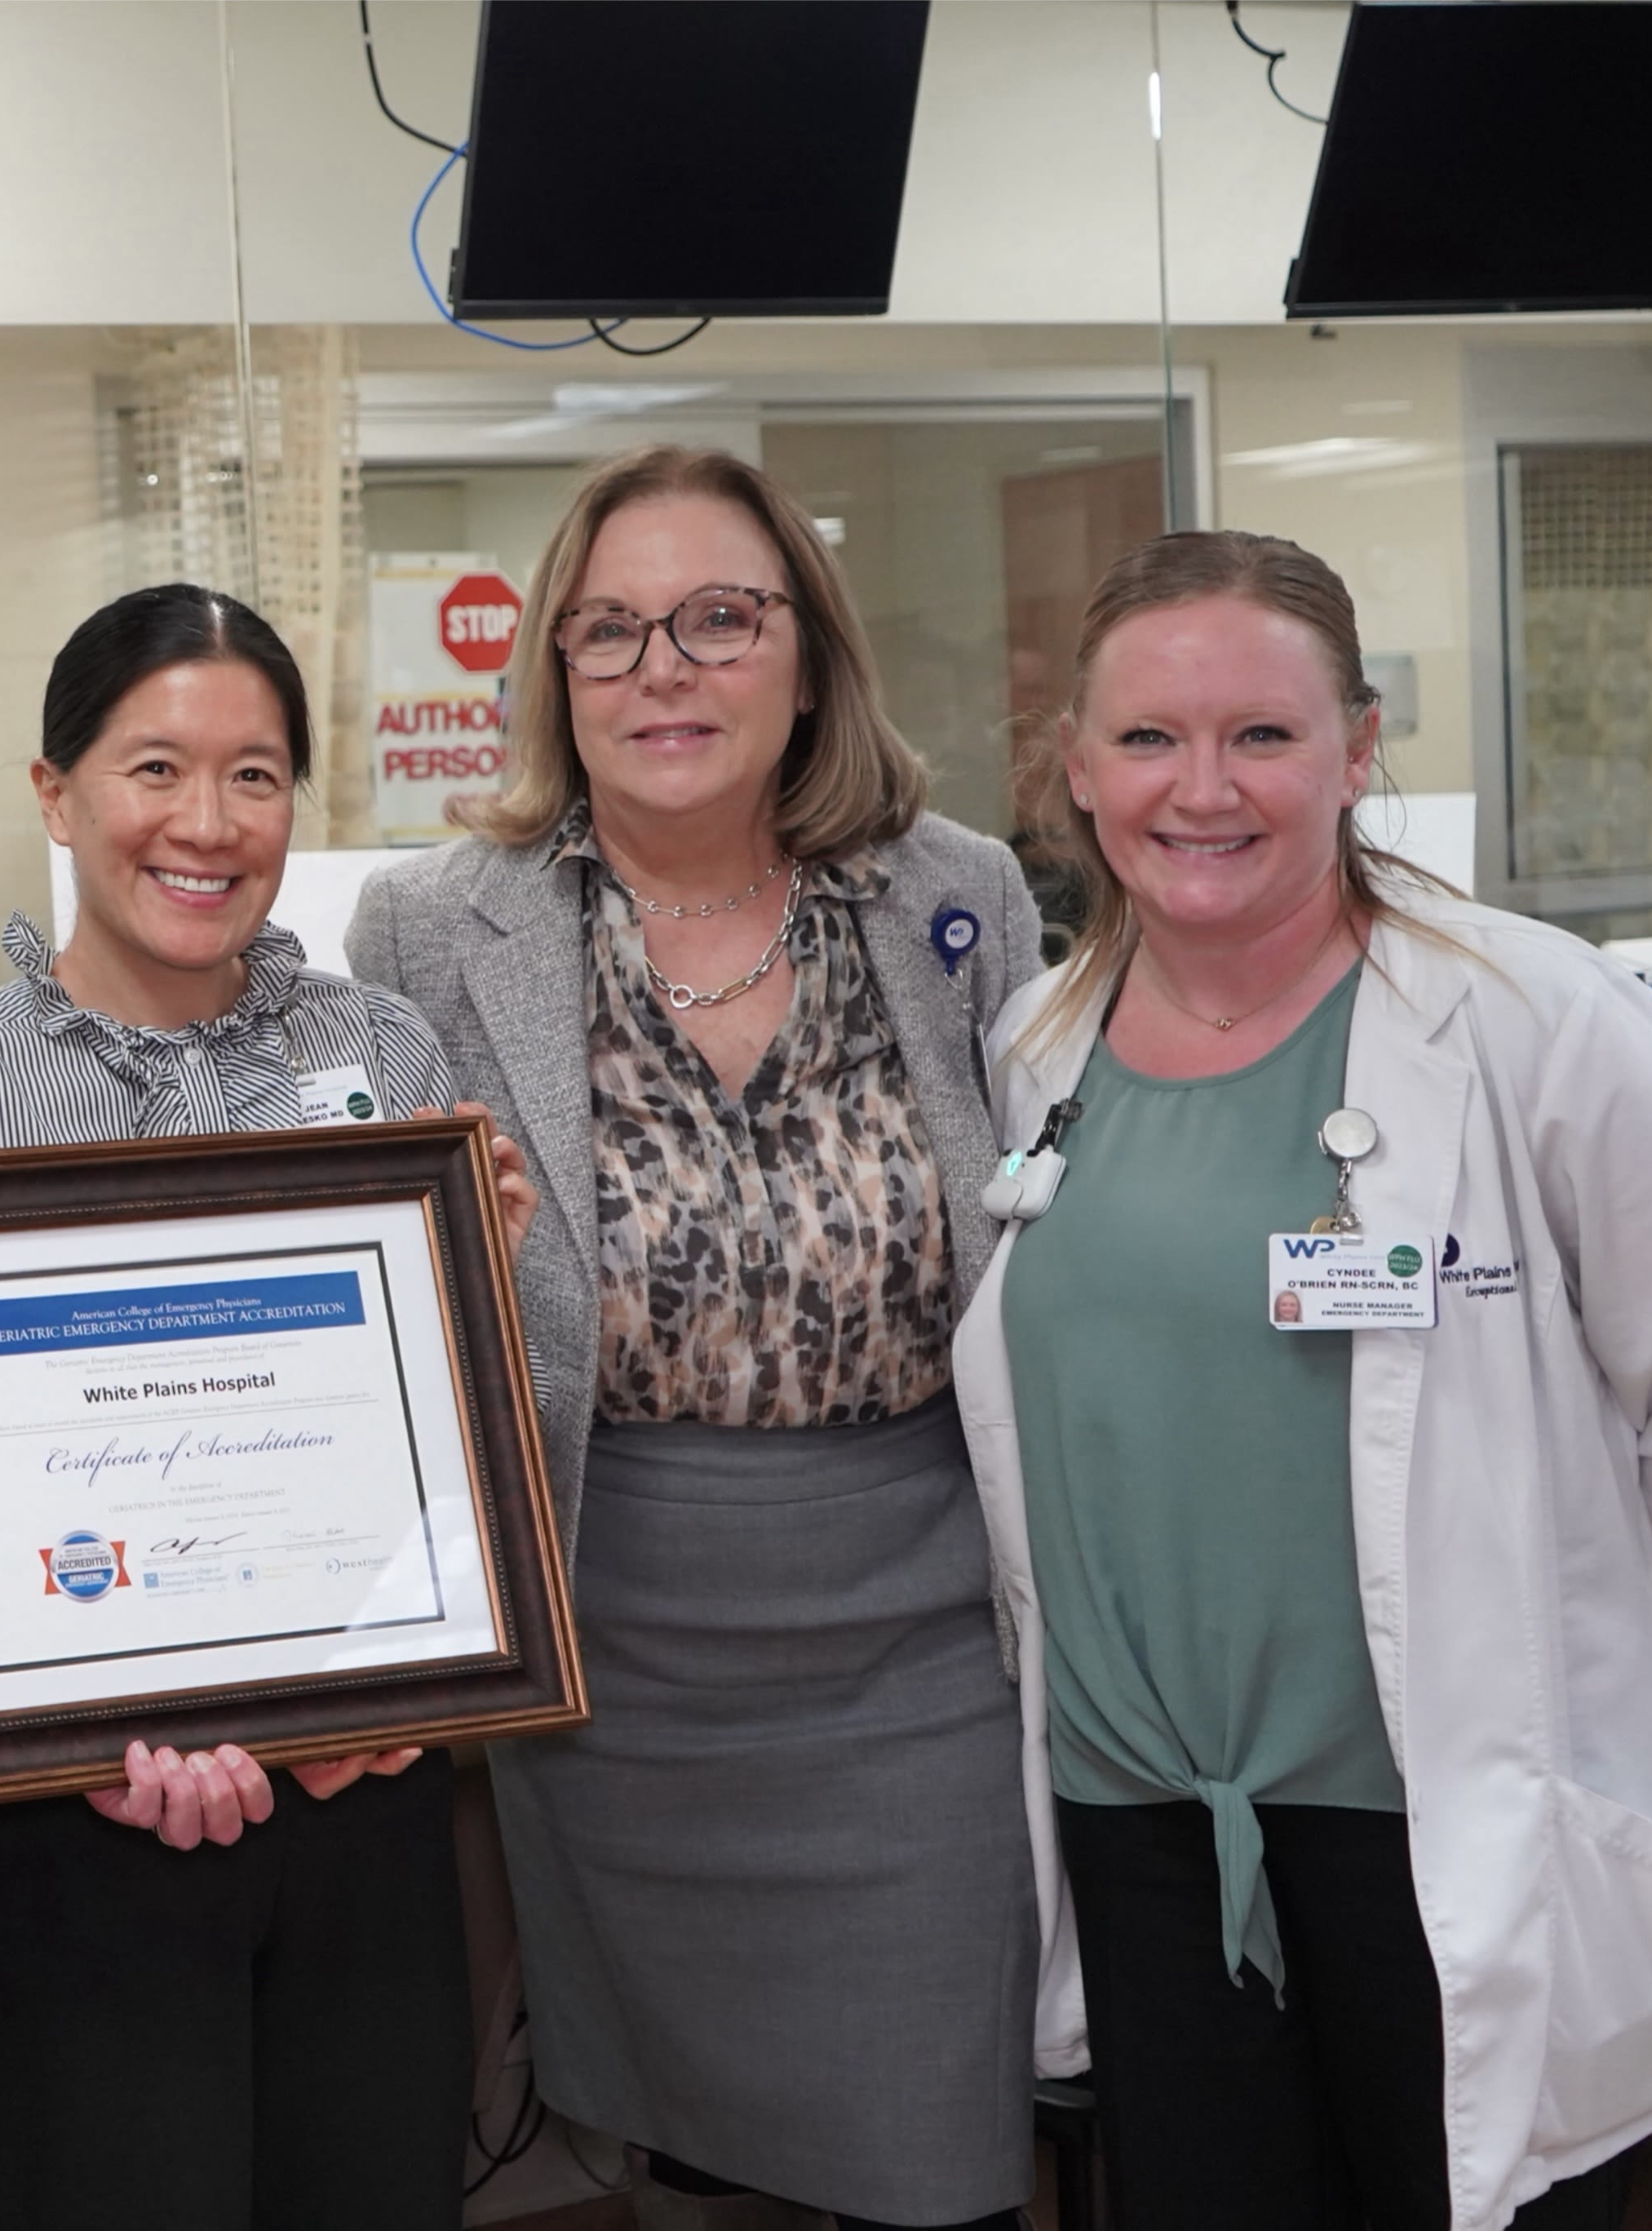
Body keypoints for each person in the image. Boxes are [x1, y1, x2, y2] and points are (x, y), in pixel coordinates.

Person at [957, 529, 1652, 2230]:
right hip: (1139, 1808)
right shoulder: (1040, 1043)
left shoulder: (1532, 1016)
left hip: (1432, 1798)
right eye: (1147, 738)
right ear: (1074, 766)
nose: (1199, 787)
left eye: (1263, 735)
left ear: (1359, 748)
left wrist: (1569, 1569)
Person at [349, 446, 1049, 2231]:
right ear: (559, 677)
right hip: (619, 1654)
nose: (665, 666)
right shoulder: (435, 929)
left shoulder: (952, 898)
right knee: (686, 2159)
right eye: (610, 630)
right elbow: (386, 1296)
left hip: (922, 1642)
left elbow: (1038, 1225)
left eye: (720, 617)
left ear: (805, 655)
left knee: (944, 2150)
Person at [0, 583, 536, 2231]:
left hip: (368, 1803)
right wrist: (90, 1742)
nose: (207, 822)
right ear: (55, 792)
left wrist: (474, 1292)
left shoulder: (384, 1050)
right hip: (73, 1821)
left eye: (256, 774)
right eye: (154, 769)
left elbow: (451, 1453)